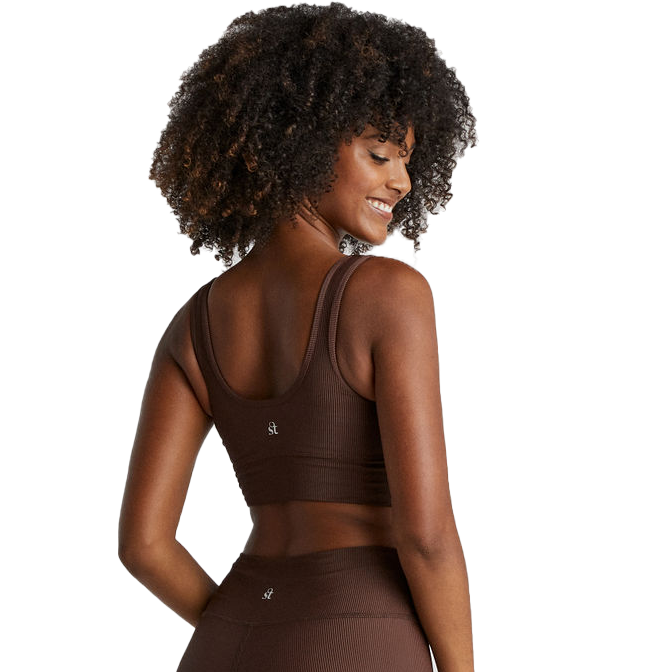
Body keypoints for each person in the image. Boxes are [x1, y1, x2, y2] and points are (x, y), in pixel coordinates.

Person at [118, 2, 479, 671]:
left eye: (407, 161)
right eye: (379, 155)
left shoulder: (191, 327)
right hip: (359, 638)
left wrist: (254, 625)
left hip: (229, 642)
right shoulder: (386, 294)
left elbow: (144, 546)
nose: (401, 182)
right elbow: (426, 535)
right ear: (302, 144)